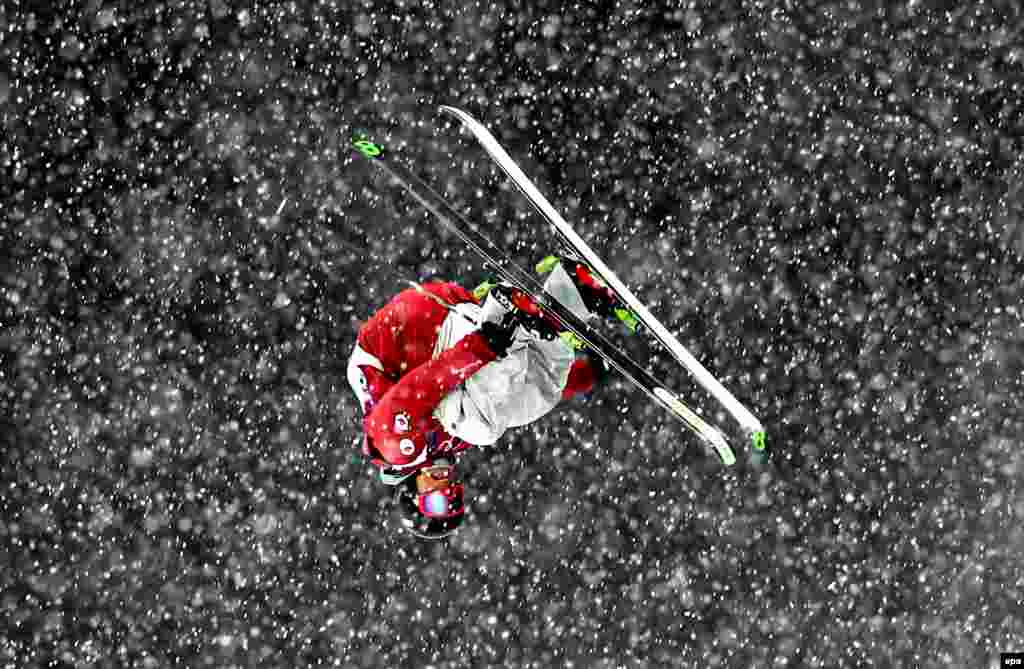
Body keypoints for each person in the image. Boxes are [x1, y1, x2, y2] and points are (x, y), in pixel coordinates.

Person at [346, 257, 637, 539]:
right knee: (514, 412)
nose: (447, 490)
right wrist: (588, 374)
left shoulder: (394, 448)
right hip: (447, 338)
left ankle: (506, 314)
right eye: (456, 498)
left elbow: (415, 392)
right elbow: (514, 396)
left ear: (411, 495)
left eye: (437, 502)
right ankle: (572, 290)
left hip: (415, 328)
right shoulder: (446, 443)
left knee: (480, 427)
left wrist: (481, 345)